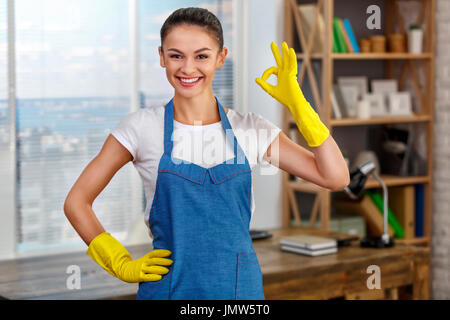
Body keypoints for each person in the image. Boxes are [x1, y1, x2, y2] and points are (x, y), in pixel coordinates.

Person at [64, 7, 349, 300]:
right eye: (176, 55)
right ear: (161, 56)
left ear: (221, 57)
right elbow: (77, 202)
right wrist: (118, 262)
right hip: (169, 289)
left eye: (201, 56)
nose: (188, 69)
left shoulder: (249, 128)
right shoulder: (140, 128)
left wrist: (300, 107)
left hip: (239, 294)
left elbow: (335, 177)